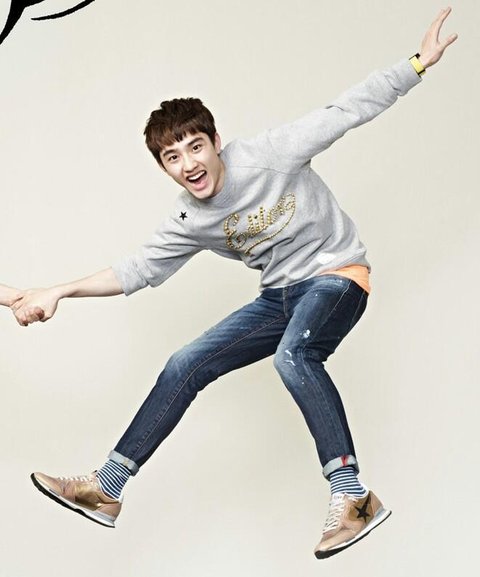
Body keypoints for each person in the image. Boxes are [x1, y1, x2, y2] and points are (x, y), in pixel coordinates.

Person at [11, 7, 457, 559]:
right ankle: (107, 488)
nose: (188, 164)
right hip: (279, 298)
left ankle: (353, 496)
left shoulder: (271, 154)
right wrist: (57, 290)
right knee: (184, 363)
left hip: (336, 276)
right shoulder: (189, 218)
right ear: (164, 168)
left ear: (216, 141)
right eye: (172, 157)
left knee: (294, 357)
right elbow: (136, 270)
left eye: (195, 147)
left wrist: (417, 64)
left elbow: (346, 110)